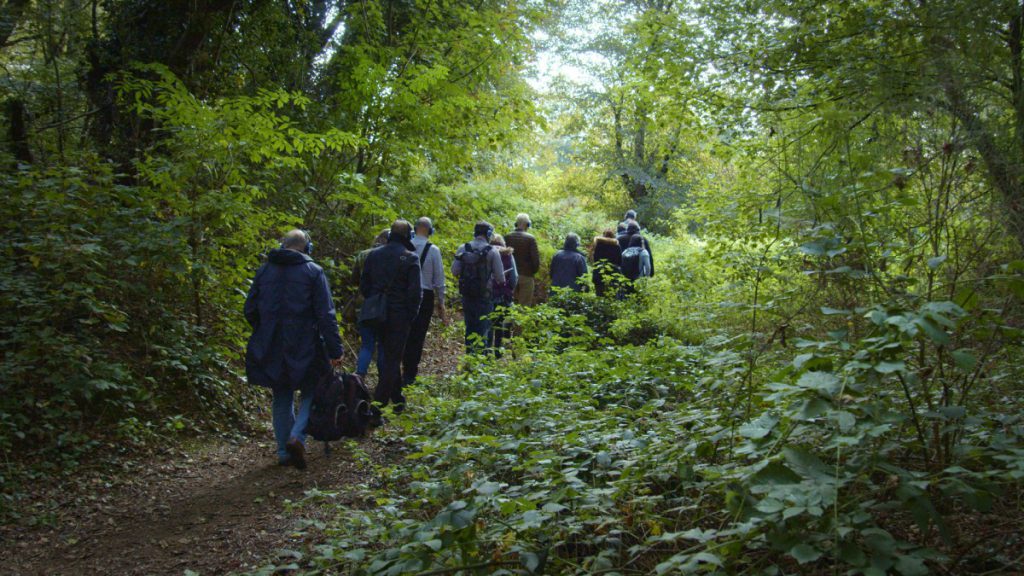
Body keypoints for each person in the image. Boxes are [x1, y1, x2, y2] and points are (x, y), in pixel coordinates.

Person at [244, 229, 343, 470]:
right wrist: (334, 349)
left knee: (281, 394)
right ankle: (297, 436)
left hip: (271, 342)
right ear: (307, 248)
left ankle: (283, 451)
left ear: (283, 245)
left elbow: (250, 308)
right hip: (306, 342)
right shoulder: (313, 272)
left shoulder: (264, 270)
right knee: (311, 391)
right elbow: (326, 315)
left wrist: (265, 329)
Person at [360, 220, 422, 413]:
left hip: (376, 314)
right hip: (399, 315)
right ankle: (377, 408)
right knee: (392, 359)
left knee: (387, 353)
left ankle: (397, 399)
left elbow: (364, 285)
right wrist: (410, 315)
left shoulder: (374, 255)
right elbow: (415, 293)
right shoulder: (410, 258)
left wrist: (375, 303)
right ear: (408, 236)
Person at [403, 217, 448, 387]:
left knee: (403, 333)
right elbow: (439, 279)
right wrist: (441, 303)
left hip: (404, 294)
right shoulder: (433, 250)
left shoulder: (405, 247)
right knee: (418, 335)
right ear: (430, 231)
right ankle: (409, 374)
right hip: (425, 296)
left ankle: (395, 370)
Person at [453, 221, 505, 353]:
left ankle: (469, 357)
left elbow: (454, 271)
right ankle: (481, 362)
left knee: (469, 326)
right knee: (483, 328)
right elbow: (500, 278)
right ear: (488, 234)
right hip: (484, 296)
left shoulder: (462, 248)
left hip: (467, 295)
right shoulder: (492, 251)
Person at [352, 229, 389, 377]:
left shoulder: (363, 255)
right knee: (382, 345)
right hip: (384, 306)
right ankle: (383, 380)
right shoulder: (390, 256)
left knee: (366, 344)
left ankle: (359, 377)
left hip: (363, 305)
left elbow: (354, 279)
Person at [488, 234, 518, 355]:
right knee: (500, 323)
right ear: (503, 243)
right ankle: (497, 351)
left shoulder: (487, 252)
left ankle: (486, 350)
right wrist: (510, 289)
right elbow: (514, 276)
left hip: (488, 294)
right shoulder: (508, 254)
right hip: (503, 295)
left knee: (488, 322)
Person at [504, 213, 540, 306]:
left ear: (516, 224)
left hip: (509, 275)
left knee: (509, 303)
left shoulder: (507, 237)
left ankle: (507, 321)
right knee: (524, 305)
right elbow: (535, 261)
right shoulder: (531, 239)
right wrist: (532, 272)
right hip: (526, 275)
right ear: (527, 224)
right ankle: (519, 321)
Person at [591, 228, 622, 298]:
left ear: (603, 235)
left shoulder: (598, 245)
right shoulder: (616, 246)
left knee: (599, 296)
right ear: (613, 236)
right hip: (613, 274)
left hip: (599, 274)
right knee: (612, 297)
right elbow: (620, 262)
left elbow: (595, 260)